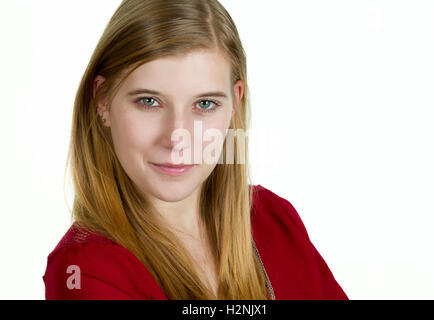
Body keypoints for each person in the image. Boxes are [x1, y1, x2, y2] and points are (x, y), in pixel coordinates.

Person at [42, 0, 348, 300]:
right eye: (149, 101)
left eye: (205, 104)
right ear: (103, 100)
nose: (178, 138)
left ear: (234, 104)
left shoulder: (275, 221)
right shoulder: (83, 269)